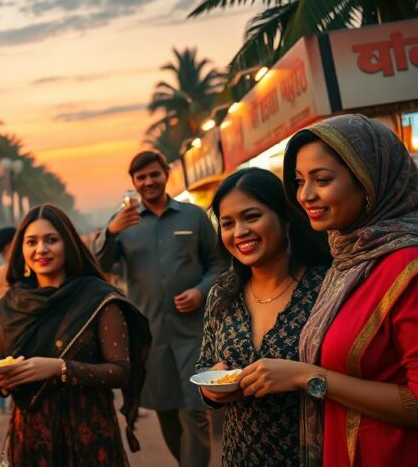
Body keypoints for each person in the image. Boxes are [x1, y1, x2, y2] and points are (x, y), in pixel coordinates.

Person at [235, 115, 418, 467]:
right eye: (300, 181)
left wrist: (306, 377)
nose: (304, 195)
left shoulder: (406, 264)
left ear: (367, 181)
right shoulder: (348, 259)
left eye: (322, 180)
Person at [0, 204, 152, 466]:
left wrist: (59, 368)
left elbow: (121, 371)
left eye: (51, 240)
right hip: (31, 433)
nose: (41, 249)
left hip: (88, 430)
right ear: (22, 249)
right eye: (32, 242)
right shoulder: (12, 302)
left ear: (69, 244)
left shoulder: (98, 298)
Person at [93, 150, 226, 467]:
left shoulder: (193, 216)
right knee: (165, 408)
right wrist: (111, 232)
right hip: (150, 333)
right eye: (141, 177)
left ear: (166, 174)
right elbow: (99, 266)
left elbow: (218, 262)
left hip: (195, 332)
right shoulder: (123, 222)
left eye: (154, 174)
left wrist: (200, 291)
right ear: (133, 183)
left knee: (196, 408)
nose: (148, 181)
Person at [196, 168, 331, 466]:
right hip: (240, 454)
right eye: (227, 223)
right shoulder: (222, 292)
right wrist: (212, 388)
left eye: (252, 216)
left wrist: (298, 377)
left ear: (285, 217)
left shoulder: (328, 287)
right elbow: (205, 363)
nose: (239, 231)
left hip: (314, 455)